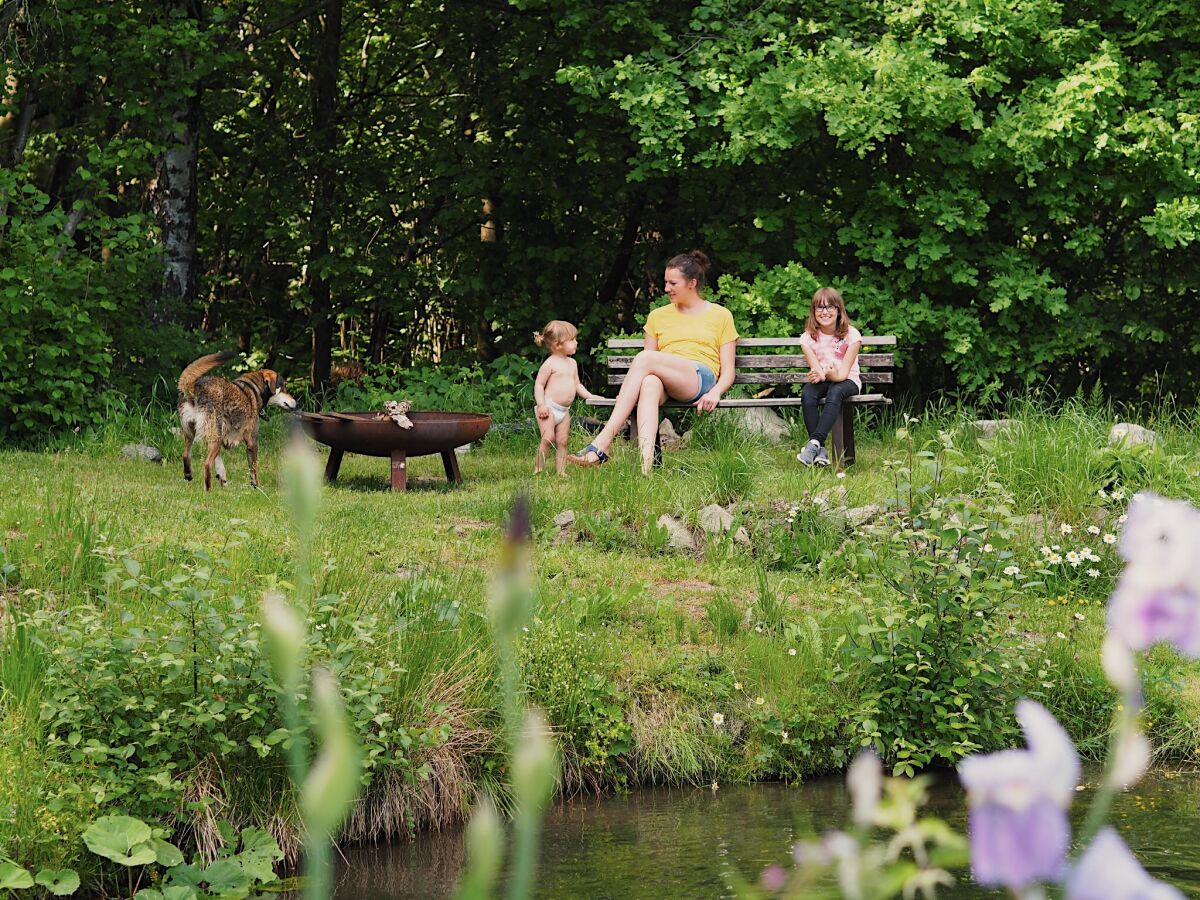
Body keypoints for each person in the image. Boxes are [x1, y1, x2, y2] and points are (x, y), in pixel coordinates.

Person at [570, 250, 739, 474]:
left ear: (692, 283)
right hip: (666, 380)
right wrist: (631, 390)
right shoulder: (658, 316)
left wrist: (716, 392)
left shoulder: (721, 315)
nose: (666, 288)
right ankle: (646, 471)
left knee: (645, 359)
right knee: (649, 384)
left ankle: (602, 443)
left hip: (700, 377)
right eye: (665, 282)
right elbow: (646, 368)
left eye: (673, 283)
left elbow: (728, 371)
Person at [797, 287, 862, 467]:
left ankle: (814, 443)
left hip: (848, 380)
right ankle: (821, 450)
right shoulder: (807, 338)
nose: (824, 312)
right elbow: (816, 368)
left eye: (830, 307)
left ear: (839, 310)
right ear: (813, 312)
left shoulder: (852, 335)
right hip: (827, 378)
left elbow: (843, 373)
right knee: (808, 393)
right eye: (820, 308)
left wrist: (831, 373)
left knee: (835, 392)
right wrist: (817, 375)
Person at [533, 320, 600, 475]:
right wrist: (541, 404)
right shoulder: (549, 364)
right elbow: (539, 385)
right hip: (548, 408)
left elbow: (577, 385)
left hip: (564, 411)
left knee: (563, 441)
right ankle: (538, 468)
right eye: (571, 340)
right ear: (557, 345)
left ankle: (561, 472)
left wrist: (590, 396)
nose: (576, 343)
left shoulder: (572, 363)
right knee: (548, 438)